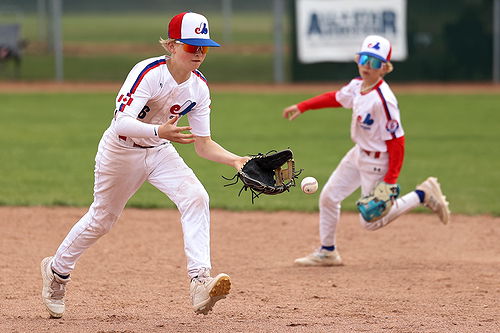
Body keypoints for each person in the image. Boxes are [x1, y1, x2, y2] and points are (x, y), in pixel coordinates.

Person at [40, 12, 250, 317]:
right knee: (102, 219)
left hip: (159, 150)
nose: (199, 53)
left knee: (196, 197)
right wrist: (158, 130)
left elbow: (203, 145)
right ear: (173, 45)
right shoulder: (149, 72)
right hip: (121, 151)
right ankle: (57, 272)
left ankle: (200, 282)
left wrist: (235, 159)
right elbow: (121, 123)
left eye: (204, 47)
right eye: (192, 47)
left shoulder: (199, 88)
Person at [282, 35, 450, 267]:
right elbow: (335, 97)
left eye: (374, 62)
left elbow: (397, 142)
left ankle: (423, 194)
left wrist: (390, 181)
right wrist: (303, 106)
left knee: (370, 221)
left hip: (378, 162)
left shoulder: (384, 101)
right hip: (358, 153)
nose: (366, 66)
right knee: (329, 197)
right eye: (363, 58)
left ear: (385, 68)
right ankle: (328, 251)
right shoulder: (357, 86)